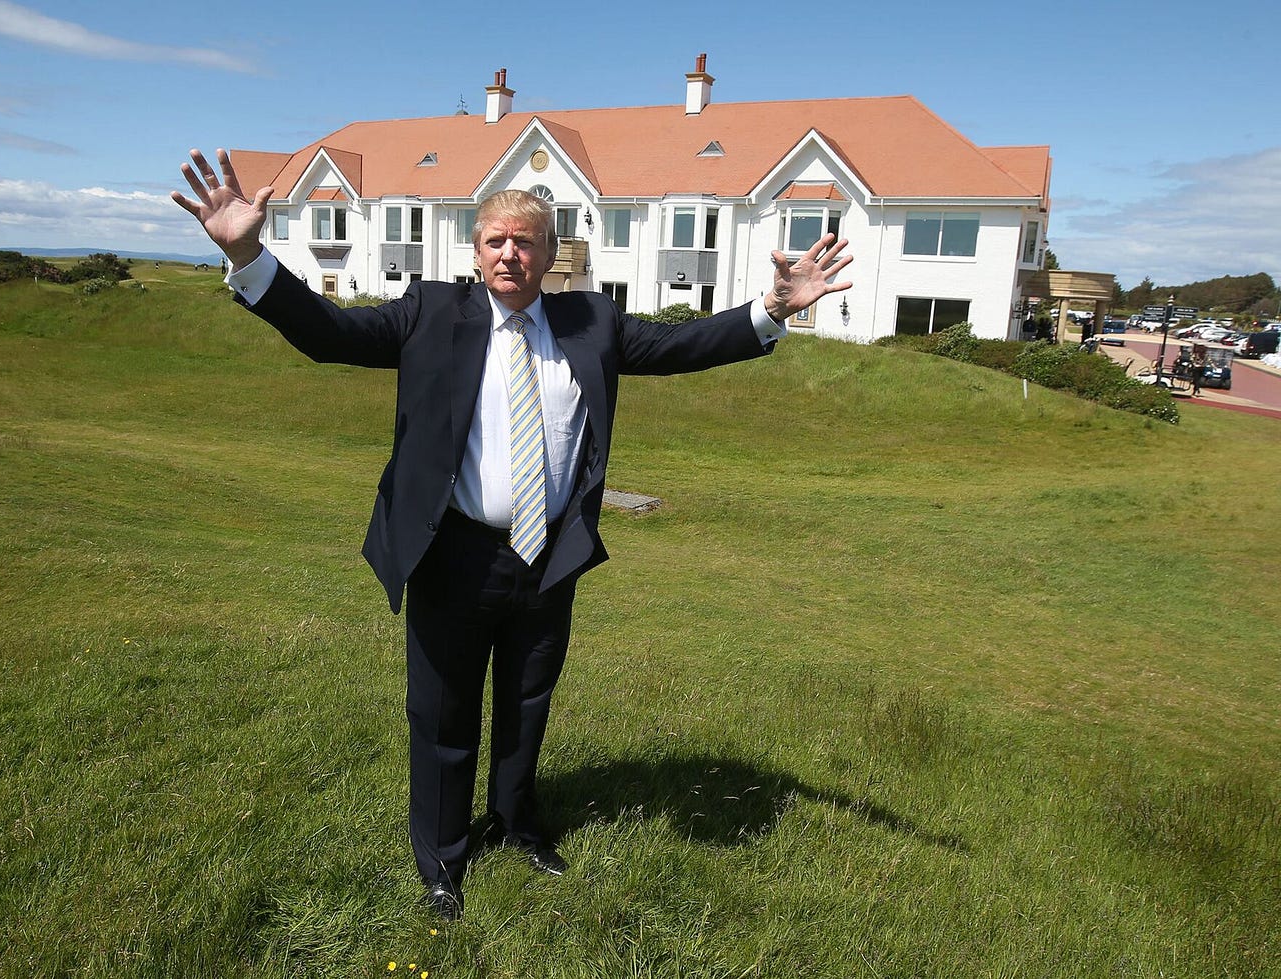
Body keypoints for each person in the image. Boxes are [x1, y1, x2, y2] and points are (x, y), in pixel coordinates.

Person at [172, 147, 853, 921]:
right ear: (476, 249)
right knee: (442, 711)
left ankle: (517, 822)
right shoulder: (430, 313)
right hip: (453, 552)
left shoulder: (590, 323)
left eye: (526, 241)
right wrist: (248, 256)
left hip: (546, 554)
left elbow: (680, 346)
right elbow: (329, 332)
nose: (509, 252)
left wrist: (772, 309)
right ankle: (440, 860)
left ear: (549, 257)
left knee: (528, 701)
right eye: (496, 239)